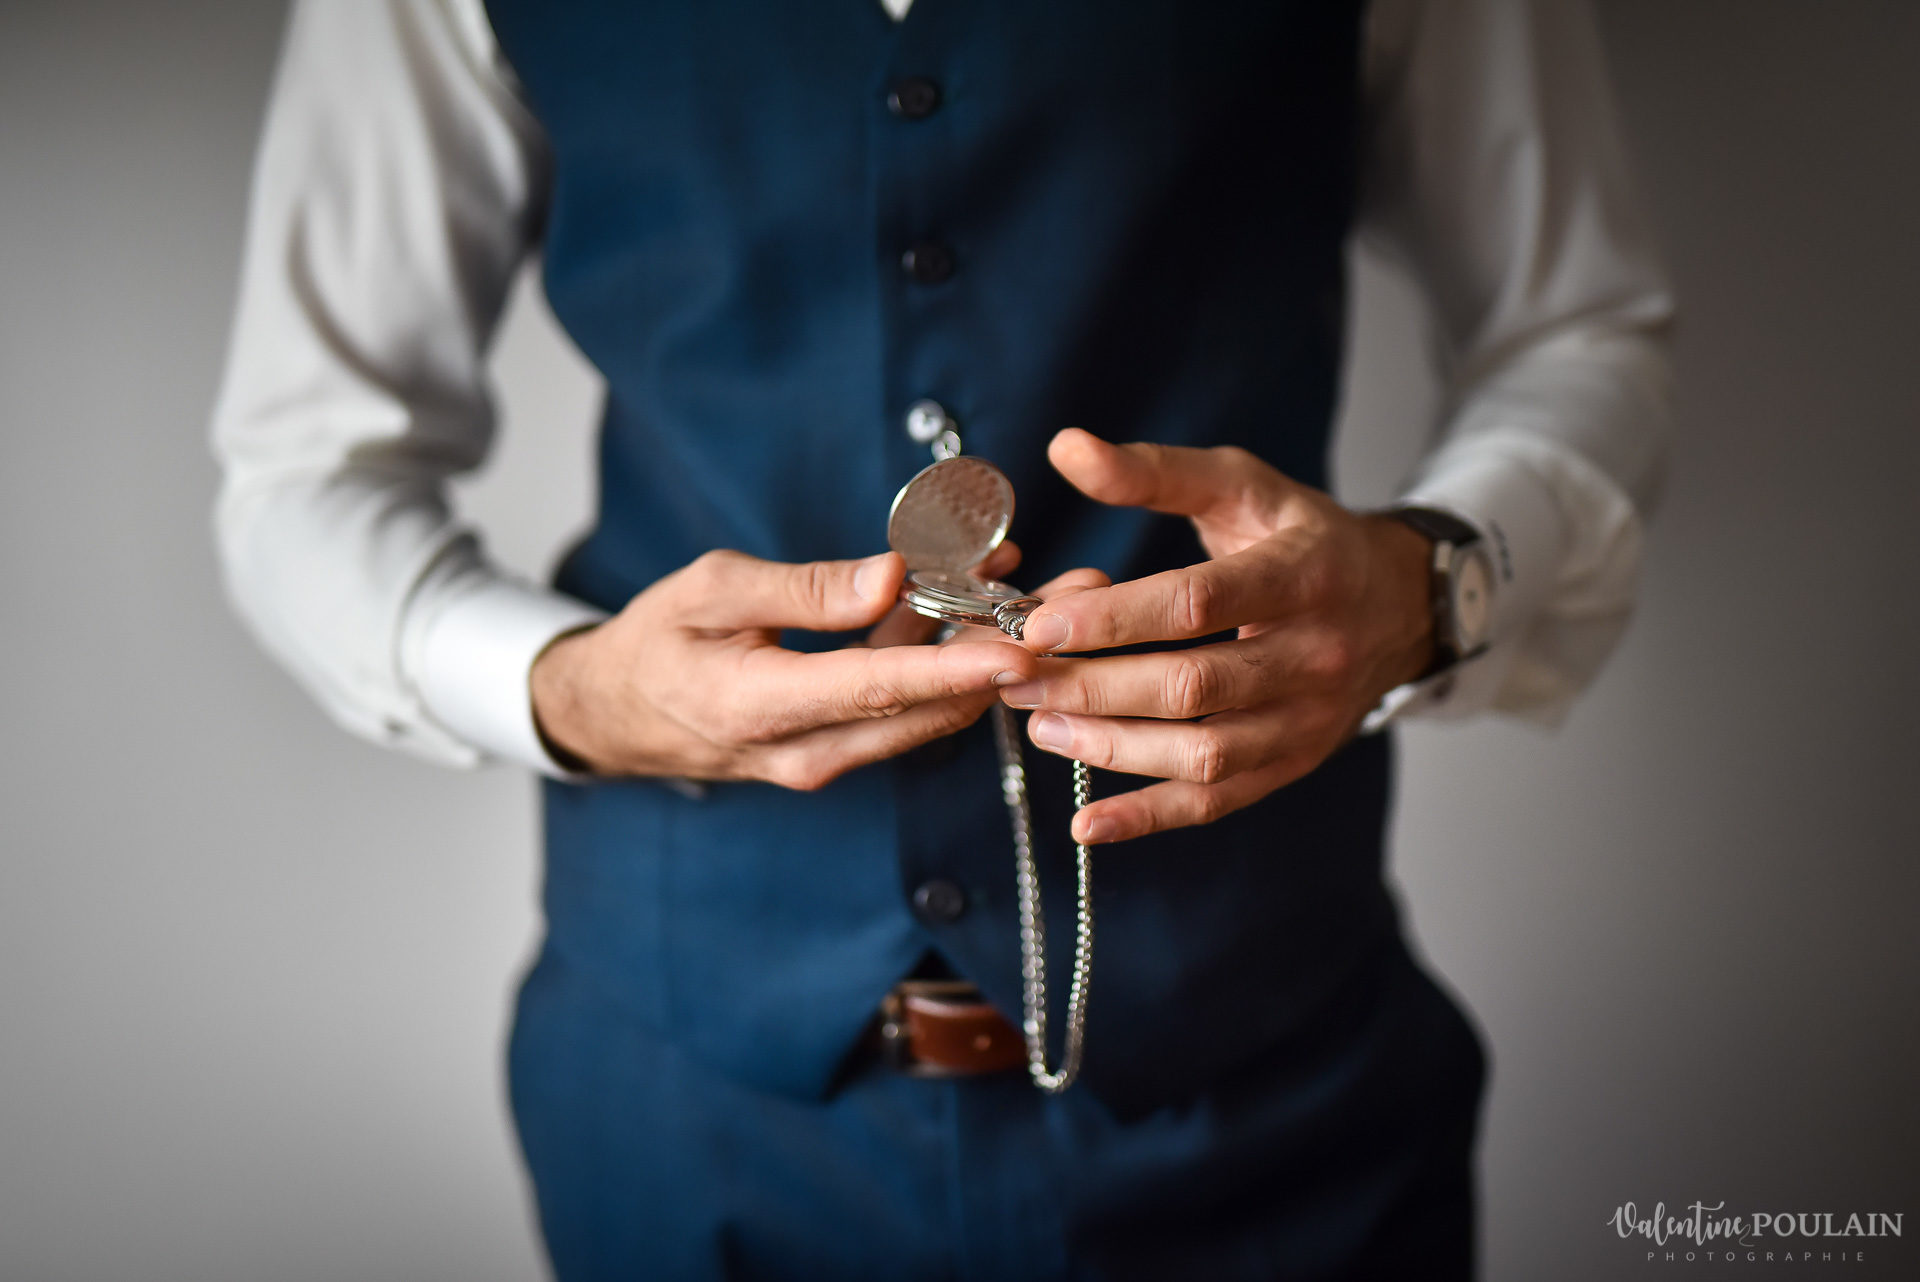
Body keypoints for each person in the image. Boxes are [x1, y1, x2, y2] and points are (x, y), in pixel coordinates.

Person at [211, 1, 1673, 1277]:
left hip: (1275, 1102)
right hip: (677, 1121)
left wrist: (1433, 586)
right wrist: (572, 692)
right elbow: (308, 472)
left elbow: (1580, 330)